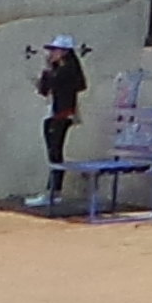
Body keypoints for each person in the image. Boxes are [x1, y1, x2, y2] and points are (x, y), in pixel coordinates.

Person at [34, 36, 89, 205]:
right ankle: (53, 190)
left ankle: (54, 192)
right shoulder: (57, 69)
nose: (52, 53)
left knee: (55, 152)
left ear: (64, 52)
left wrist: (49, 72)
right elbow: (44, 89)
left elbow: (60, 83)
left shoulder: (67, 70)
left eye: (55, 50)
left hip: (61, 115)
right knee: (53, 153)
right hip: (52, 113)